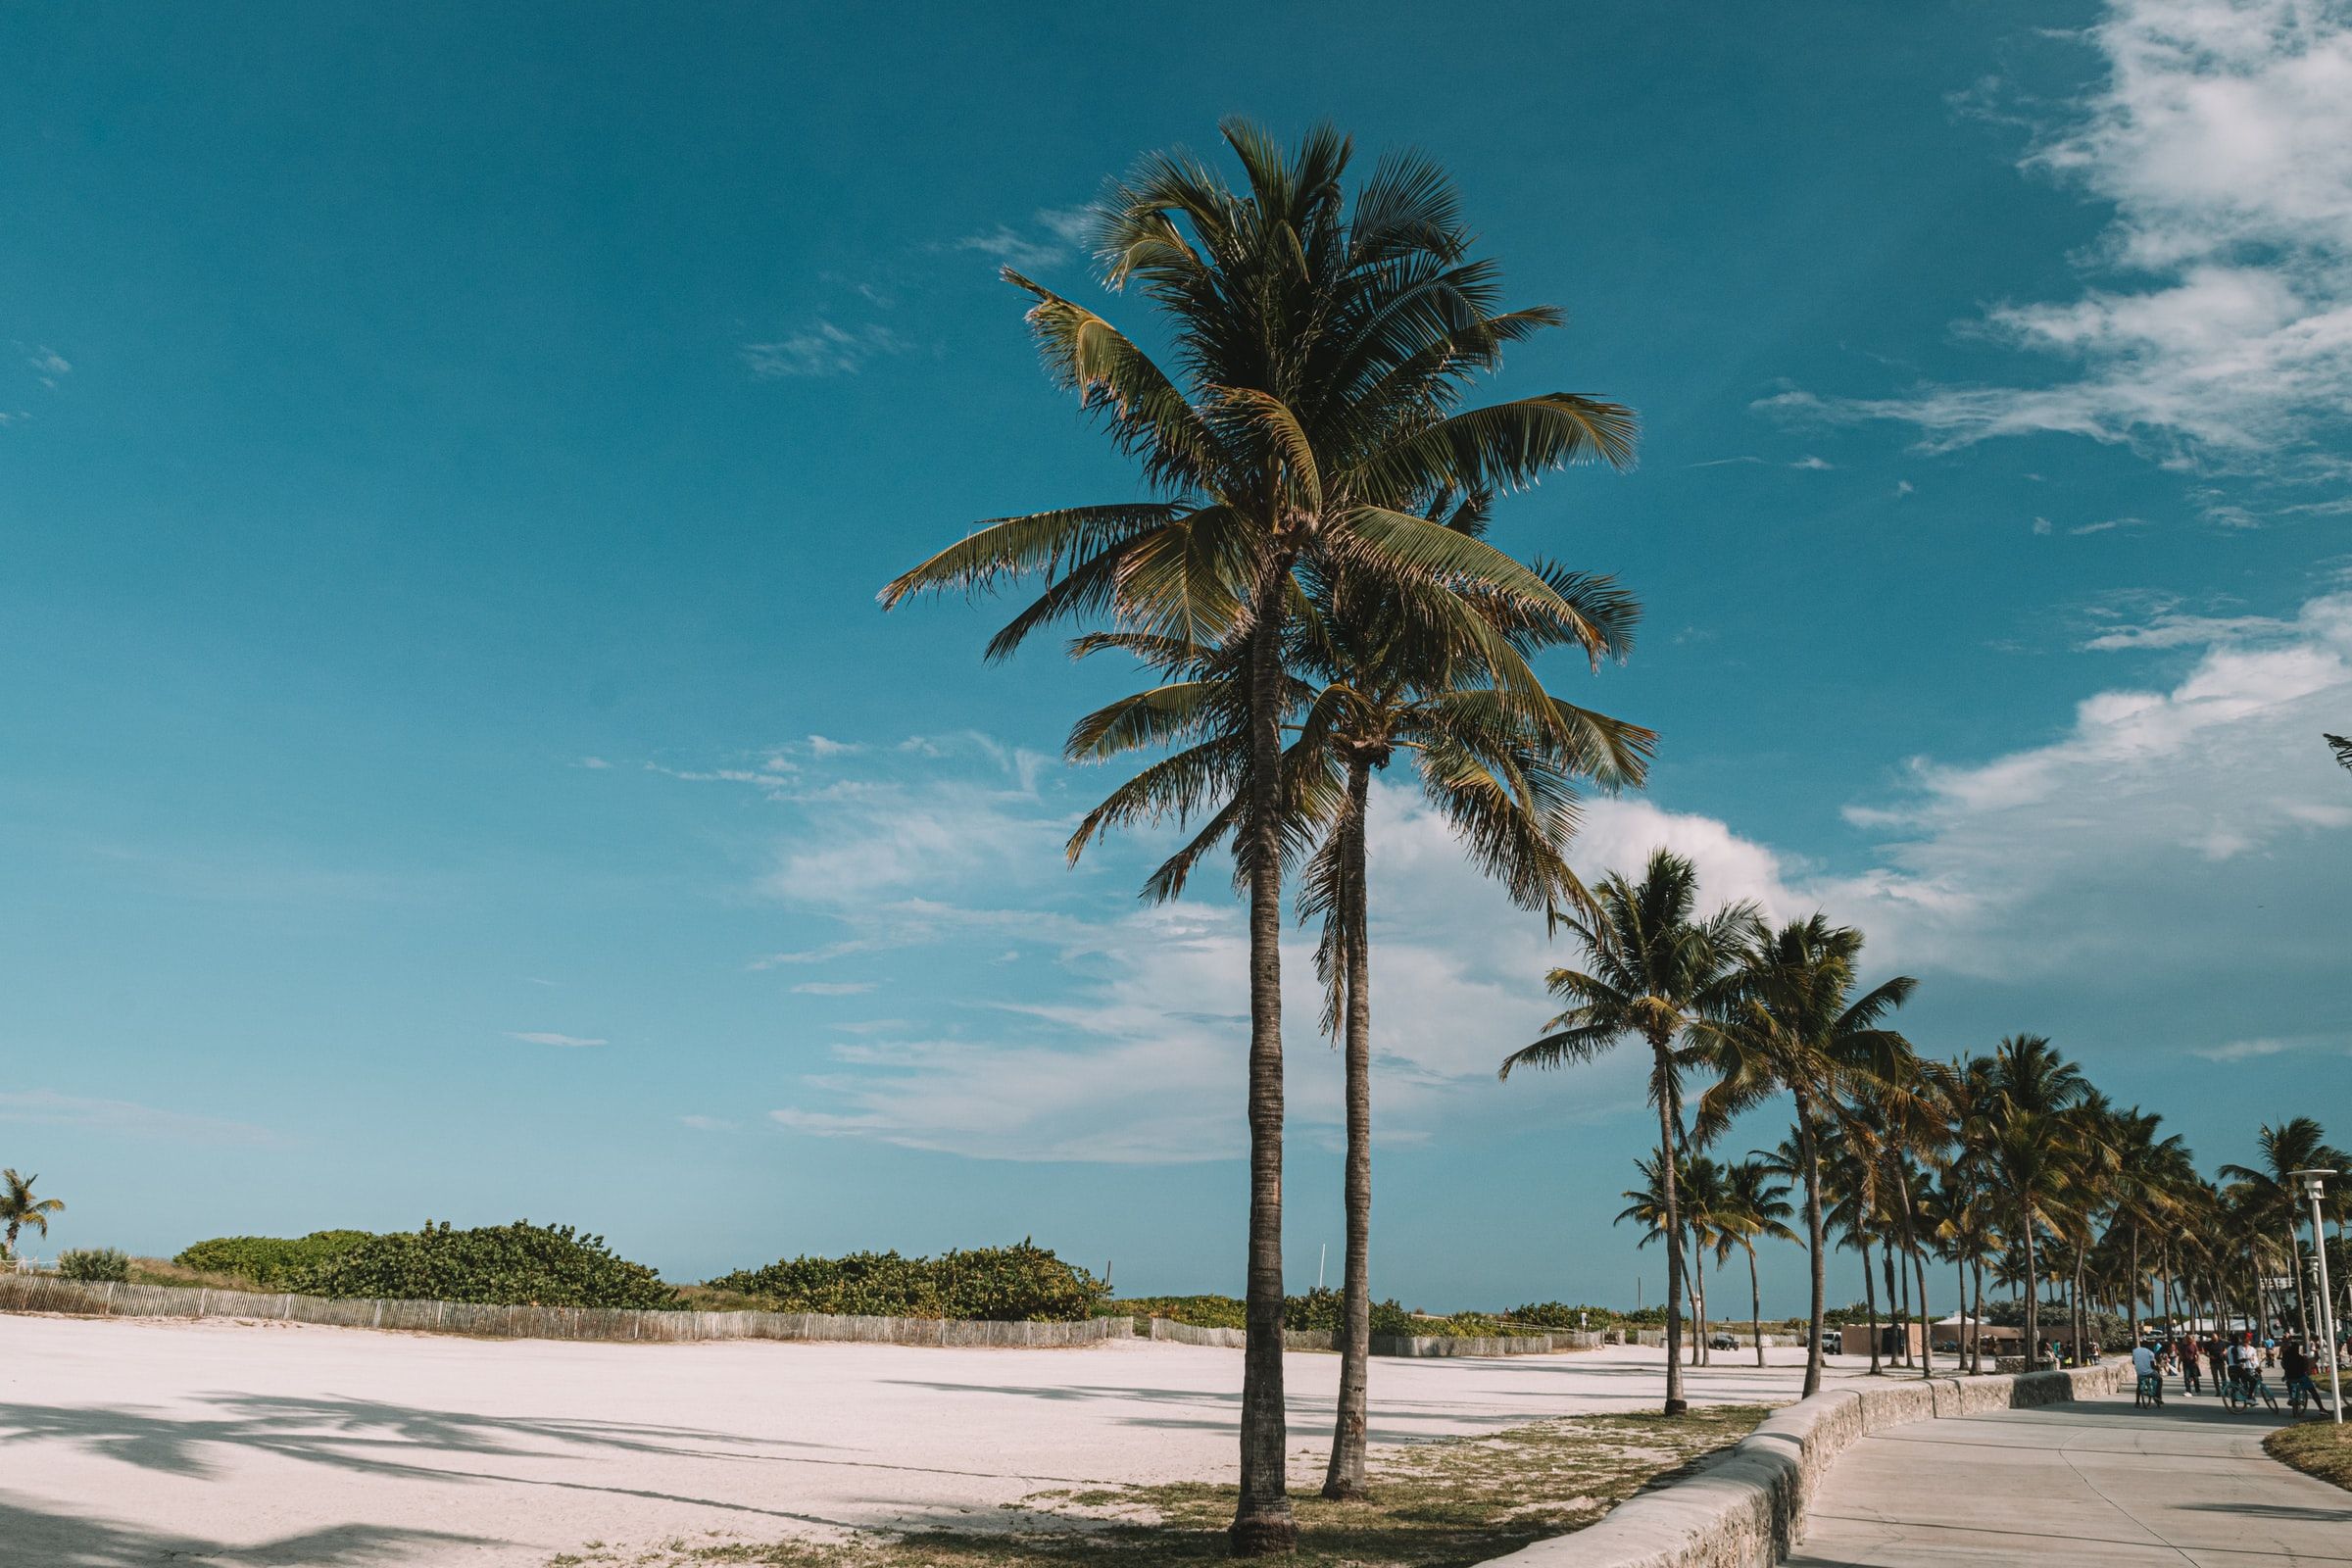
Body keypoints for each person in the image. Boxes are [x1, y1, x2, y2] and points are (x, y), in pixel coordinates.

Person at [2132, 1339, 2163, 1405]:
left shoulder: (2135, 1351)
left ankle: (2137, 1402)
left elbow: (2133, 1362)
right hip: (2149, 1372)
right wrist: (2157, 1367)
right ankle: (2158, 1396)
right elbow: (2152, 1366)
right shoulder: (2150, 1353)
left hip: (2139, 1372)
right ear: (2148, 1346)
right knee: (2160, 1379)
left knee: (2139, 1384)